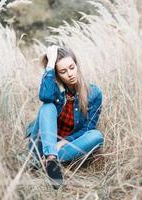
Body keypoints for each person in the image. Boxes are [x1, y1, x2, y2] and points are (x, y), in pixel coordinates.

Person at [25, 45, 104, 189]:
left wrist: (64, 142)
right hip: (42, 145)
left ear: (77, 65)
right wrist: (50, 64)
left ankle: (48, 162)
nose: (70, 74)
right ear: (57, 74)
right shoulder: (54, 88)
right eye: (63, 71)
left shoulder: (94, 93)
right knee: (47, 106)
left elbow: (88, 128)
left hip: (64, 147)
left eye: (72, 67)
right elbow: (45, 97)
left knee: (97, 136)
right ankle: (49, 159)